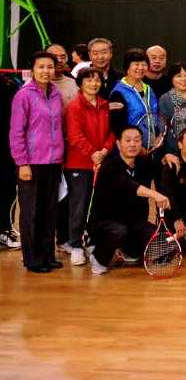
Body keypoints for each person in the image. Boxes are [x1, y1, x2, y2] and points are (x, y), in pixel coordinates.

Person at [85, 126, 169, 275]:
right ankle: (98, 258)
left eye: (137, 140)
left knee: (155, 237)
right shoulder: (109, 166)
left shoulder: (145, 163)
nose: (132, 144)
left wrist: (167, 157)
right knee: (118, 231)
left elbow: (160, 170)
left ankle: (128, 250)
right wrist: (154, 195)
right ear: (118, 144)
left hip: (133, 223)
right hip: (105, 224)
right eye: (128, 140)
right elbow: (128, 185)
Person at [11, 51, 66, 273]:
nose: (46, 71)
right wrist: (22, 163)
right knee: (32, 212)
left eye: (50, 67)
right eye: (41, 67)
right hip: (32, 162)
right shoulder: (23, 95)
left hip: (54, 162)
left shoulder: (55, 94)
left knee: (50, 211)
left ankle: (47, 255)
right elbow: (16, 132)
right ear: (32, 70)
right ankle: (33, 259)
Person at [61, 67, 114, 265]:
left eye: (97, 80)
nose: (94, 84)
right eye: (89, 80)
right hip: (79, 164)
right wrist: (93, 154)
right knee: (79, 206)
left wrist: (104, 151)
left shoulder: (104, 104)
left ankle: (90, 240)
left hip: (101, 162)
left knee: (96, 206)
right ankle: (75, 245)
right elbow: (74, 136)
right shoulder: (74, 107)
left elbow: (111, 133)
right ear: (80, 83)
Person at [108, 49, 161, 142]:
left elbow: (155, 116)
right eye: (136, 64)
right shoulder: (118, 92)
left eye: (144, 64)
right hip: (132, 145)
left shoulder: (149, 89)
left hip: (152, 144)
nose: (140, 68)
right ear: (127, 67)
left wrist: (157, 135)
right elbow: (117, 126)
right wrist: (135, 144)